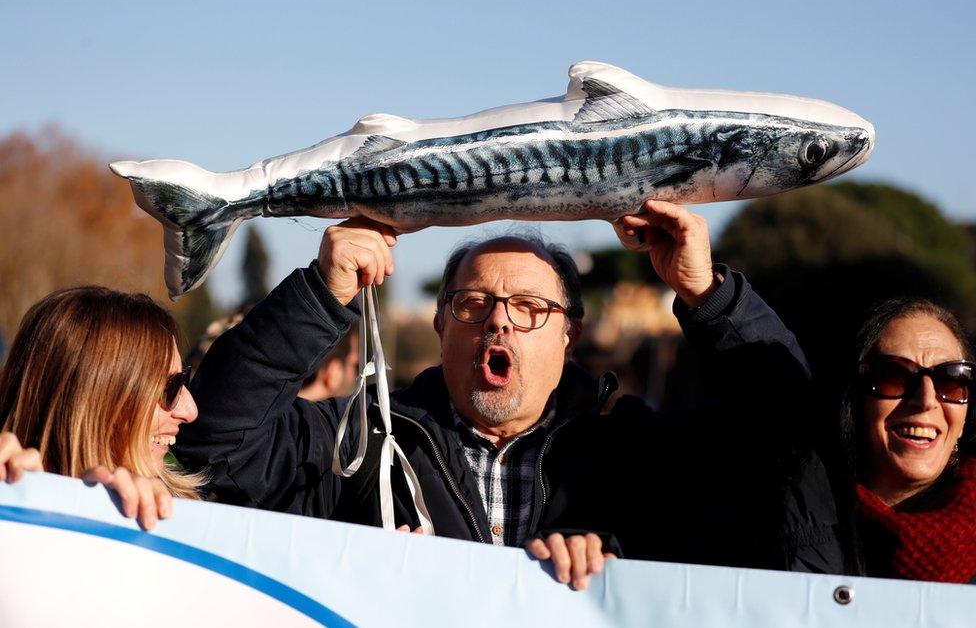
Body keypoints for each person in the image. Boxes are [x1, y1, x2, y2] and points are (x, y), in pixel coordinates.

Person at [178, 200, 842, 589]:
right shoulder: (362, 445)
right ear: (440, 328)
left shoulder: (638, 451)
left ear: (570, 334)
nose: (498, 321)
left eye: (528, 307)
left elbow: (789, 439)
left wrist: (709, 293)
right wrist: (320, 294)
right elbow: (214, 446)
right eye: (473, 304)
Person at [0, 286, 204, 529]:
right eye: (168, 388)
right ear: (91, 402)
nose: (190, 411)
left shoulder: (188, 525)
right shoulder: (10, 502)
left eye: (184, 380)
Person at [840, 298, 976, 582]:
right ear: (856, 401)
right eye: (894, 376)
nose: (925, 401)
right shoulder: (792, 520)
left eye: (951, 381)